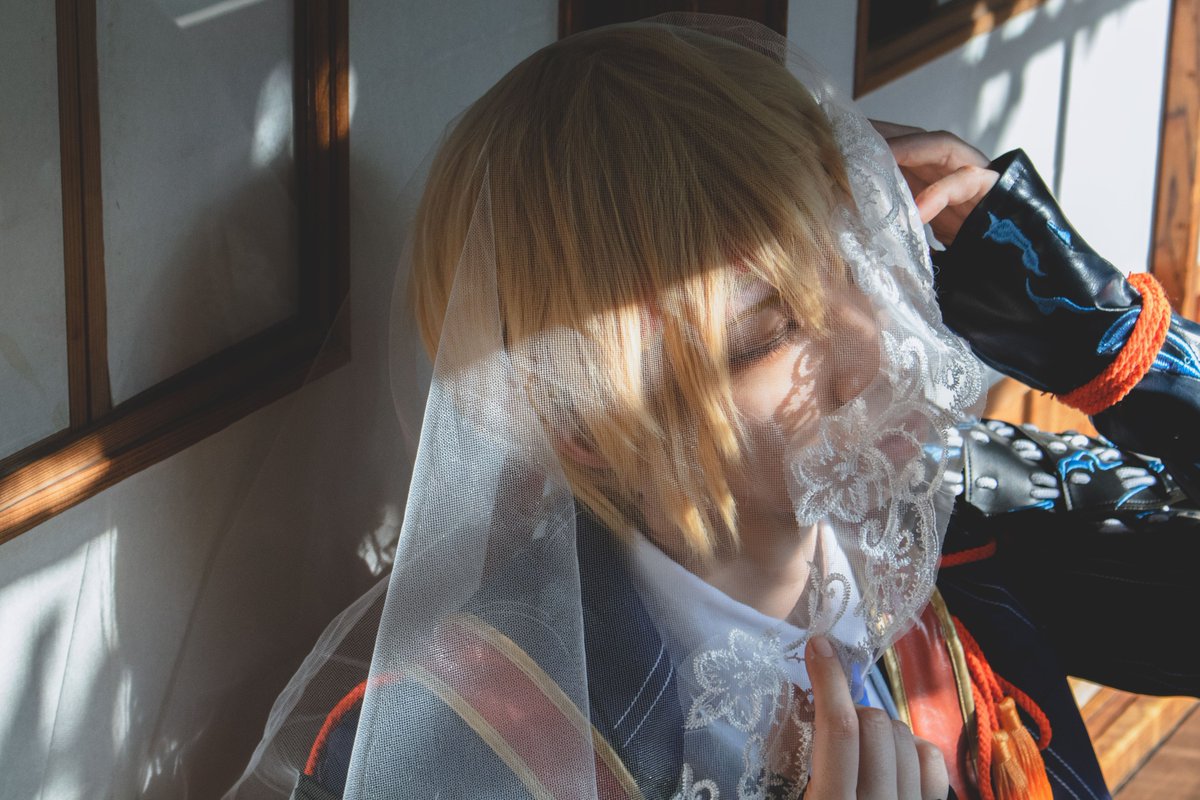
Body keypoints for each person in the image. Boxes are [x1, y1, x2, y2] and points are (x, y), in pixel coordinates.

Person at [227, 16, 1200, 800]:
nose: (871, 346)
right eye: (772, 331)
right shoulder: (457, 740)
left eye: (860, 258)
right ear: (584, 422)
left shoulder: (941, 513)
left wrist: (1074, 313)